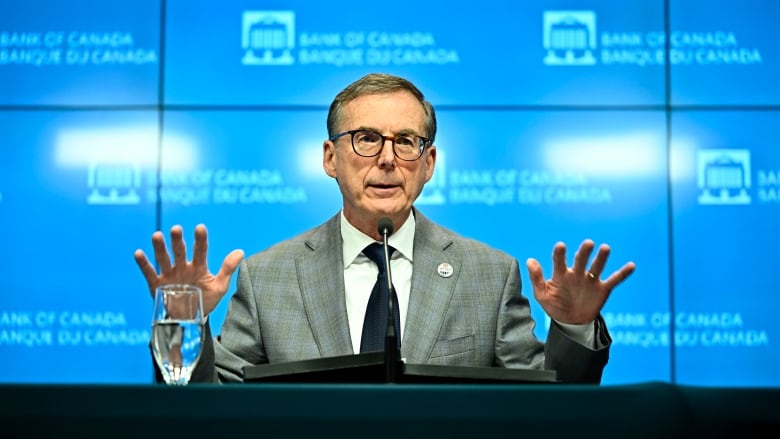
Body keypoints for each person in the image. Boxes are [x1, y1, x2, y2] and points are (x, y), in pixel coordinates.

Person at [134, 73, 636, 384]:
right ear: (330, 158)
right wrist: (181, 318)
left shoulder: (488, 273)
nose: (388, 160)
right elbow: (213, 409)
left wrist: (570, 329)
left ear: (429, 162)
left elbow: (548, 412)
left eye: (407, 142)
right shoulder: (270, 276)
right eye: (366, 139)